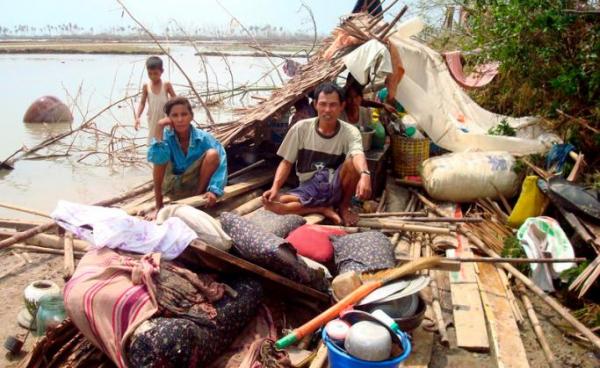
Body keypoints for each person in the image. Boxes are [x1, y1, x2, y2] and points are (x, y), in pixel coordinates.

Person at [262, 82, 372, 226]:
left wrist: (365, 174)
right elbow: (286, 162)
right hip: (309, 187)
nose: (327, 110)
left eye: (333, 105)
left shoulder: (350, 131)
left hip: (335, 186)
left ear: (341, 106)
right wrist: (275, 188)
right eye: (323, 104)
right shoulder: (301, 128)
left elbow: (357, 154)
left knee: (352, 163)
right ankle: (321, 208)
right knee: (270, 204)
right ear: (315, 105)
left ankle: (343, 207)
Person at [146, 96, 227, 220]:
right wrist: (159, 126)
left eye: (184, 114)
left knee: (213, 154)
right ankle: (159, 206)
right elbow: (156, 158)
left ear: (191, 116)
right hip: (173, 187)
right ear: (169, 118)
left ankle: (196, 198)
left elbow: (221, 161)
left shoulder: (203, 138)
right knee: (160, 155)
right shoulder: (167, 138)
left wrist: (214, 190)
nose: (180, 119)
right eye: (175, 115)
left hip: (196, 186)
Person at [135, 56, 176, 143]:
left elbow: (176, 100)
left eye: (155, 73)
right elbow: (142, 103)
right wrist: (137, 117)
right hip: (153, 118)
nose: (153, 76)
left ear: (162, 71)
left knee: (167, 140)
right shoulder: (146, 86)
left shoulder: (166, 84)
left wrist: (173, 115)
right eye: (150, 73)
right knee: (153, 141)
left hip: (165, 117)